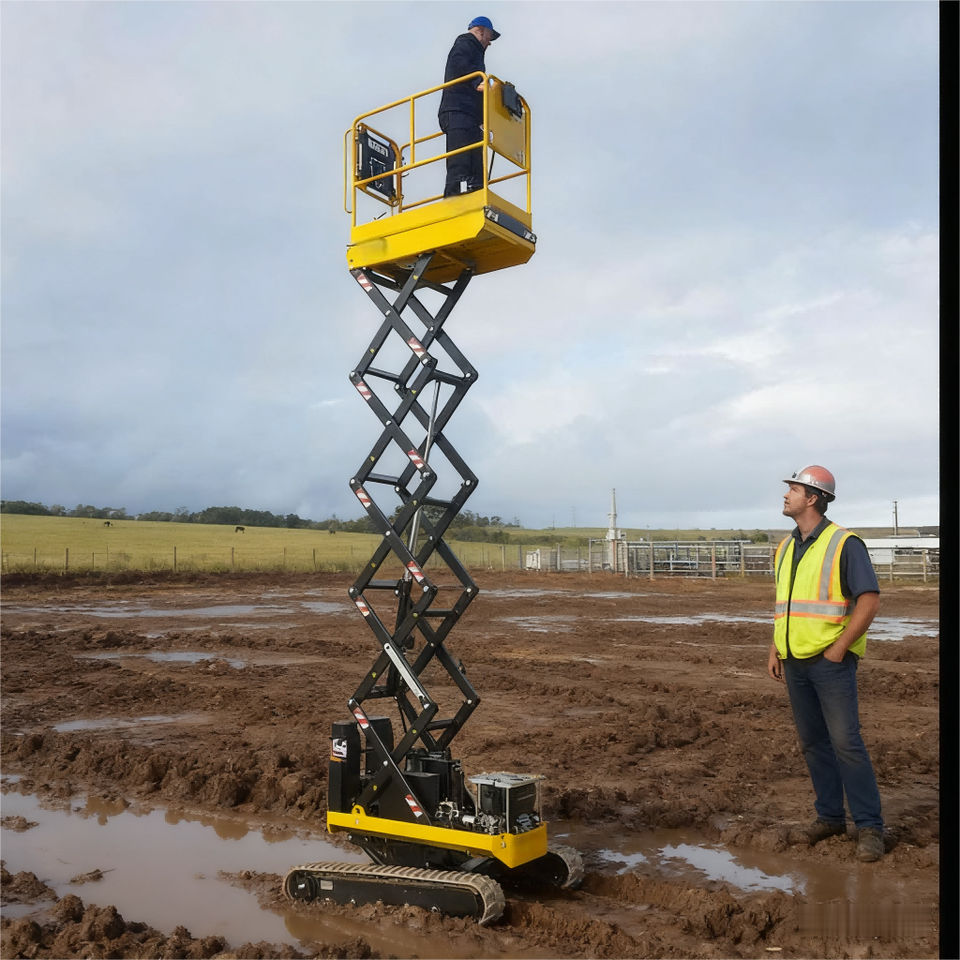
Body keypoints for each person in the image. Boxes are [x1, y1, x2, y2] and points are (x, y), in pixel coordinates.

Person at [767, 465, 885, 862]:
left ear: (813, 498)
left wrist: (840, 649)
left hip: (830, 663)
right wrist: (774, 646)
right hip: (794, 661)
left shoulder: (844, 544)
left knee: (846, 744)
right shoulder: (785, 547)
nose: (787, 494)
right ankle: (830, 817)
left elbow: (869, 600)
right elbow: (784, 604)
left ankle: (870, 828)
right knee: (814, 744)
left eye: (794, 489)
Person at [438, 16, 500, 197]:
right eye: (489, 36)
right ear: (480, 31)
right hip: (458, 110)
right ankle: (454, 198)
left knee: (475, 160)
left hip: (469, 114)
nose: (490, 42)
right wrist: (479, 82)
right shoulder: (465, 43)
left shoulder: (474, 52)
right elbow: (460, 65)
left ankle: (476, 191)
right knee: (460, 160)